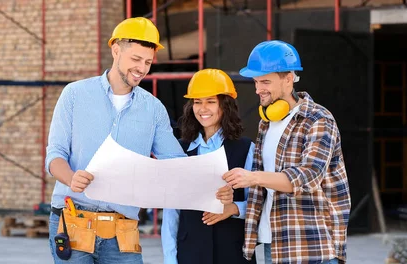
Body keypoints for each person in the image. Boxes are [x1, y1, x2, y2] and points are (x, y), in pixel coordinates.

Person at [45, 17, 234, 264]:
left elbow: (176, 163)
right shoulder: (75, 95)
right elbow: (55, 154)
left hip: (123, 230)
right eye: (136, 59)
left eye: (148, 62)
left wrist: (215, 187)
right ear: (115, 50)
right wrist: (71, 178)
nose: (142, 68)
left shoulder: (153, 109)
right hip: (72, 222)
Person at [222, 40, 351, 264]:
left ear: (288, 78)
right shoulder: (267, 123)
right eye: (255, 82)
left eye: (265, 81)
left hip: (311, 246)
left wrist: (252, 177)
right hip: (275, 242)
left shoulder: (318, 119)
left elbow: (307, 176)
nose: (257, 89)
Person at [161, 69, 256, 264]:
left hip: (233, 253)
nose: (203, 109)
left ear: (225, 105)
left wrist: (233, 208)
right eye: (197, 102)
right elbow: (171, 212)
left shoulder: (246, 149)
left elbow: (257, 204)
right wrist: (170, 259)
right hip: (190, 253)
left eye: (211, 101)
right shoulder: (179, 150)